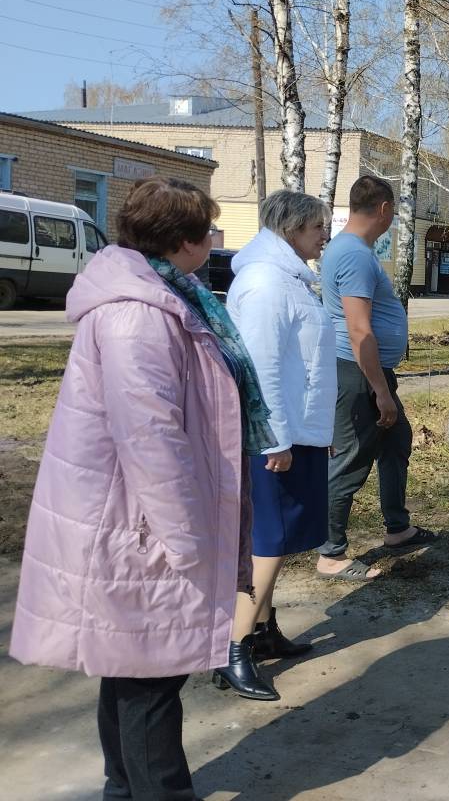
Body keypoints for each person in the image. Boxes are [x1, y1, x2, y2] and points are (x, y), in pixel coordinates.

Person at [10, 176, 274, 799]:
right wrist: (187, 538)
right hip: (140, 528)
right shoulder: (139, 314)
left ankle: (122, 791)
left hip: (135, 520)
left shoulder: (161, 296)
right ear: (184, 240)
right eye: (209, 229)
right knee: (151, 679)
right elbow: (151, 437)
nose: (214, 239)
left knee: (130, 671)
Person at [220, 189, 336, 700]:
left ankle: (264, 631)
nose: (323, 237)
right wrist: (275, 441)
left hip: (294, 433)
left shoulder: (287, 278)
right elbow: (262, 368)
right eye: (317, 228)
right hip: (274, 439)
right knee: (267, 542)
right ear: (292, 230)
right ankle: (233, 649)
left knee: (280, 538)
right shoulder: (267, 283)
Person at [317, 175, 437, 580]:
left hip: (367, 372)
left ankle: (398, 528)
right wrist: (381, 392)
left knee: (395, 440)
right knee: (351, 459)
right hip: (357, 374)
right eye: (395, 211)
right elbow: (359, 330)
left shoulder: (351, 249)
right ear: (384, 209)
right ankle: (331, 553)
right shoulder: (353, 255)